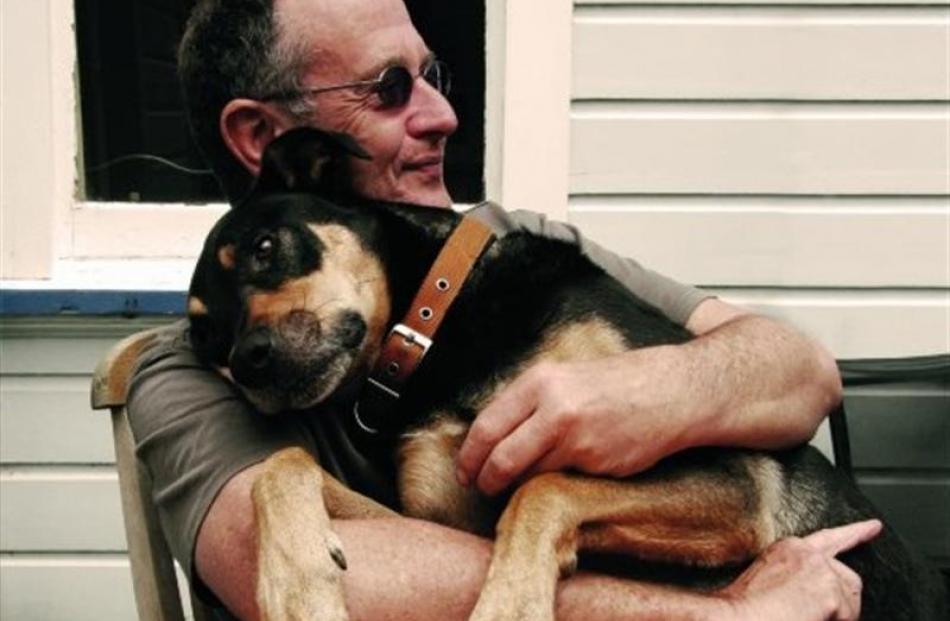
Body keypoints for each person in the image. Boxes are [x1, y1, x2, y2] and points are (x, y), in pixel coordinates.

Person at [127, 0, 871, 619]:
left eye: (432, 76)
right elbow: (348, 583)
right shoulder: (187, 374)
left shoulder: (517, 250)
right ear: (266, 138)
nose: (444, 114)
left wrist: (652, 389)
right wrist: (729, 615)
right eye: (389, 87)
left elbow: (804, 372)